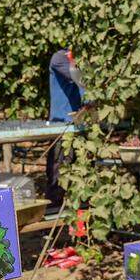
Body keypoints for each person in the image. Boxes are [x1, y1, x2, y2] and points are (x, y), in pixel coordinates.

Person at [46, 48, 85, 205]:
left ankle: (73, 204)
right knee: (59, 165)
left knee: (78, 167)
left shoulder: (82, 57)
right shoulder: (59, 58)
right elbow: (79, 76)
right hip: (61, 122)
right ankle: (55, 203)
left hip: (79, 122)